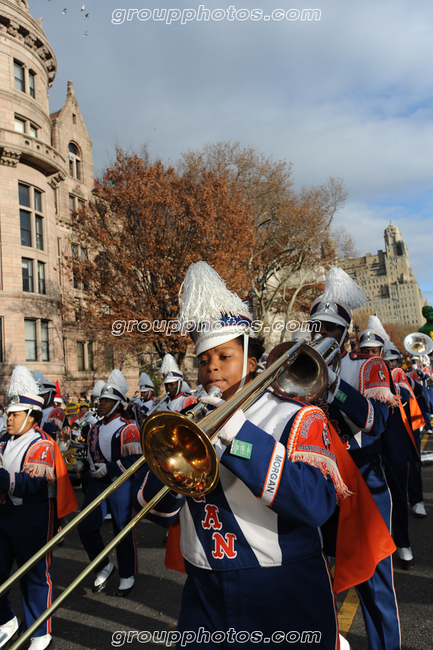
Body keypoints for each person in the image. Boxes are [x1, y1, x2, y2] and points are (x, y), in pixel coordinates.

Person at [134, 261, 394, 650]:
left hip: (280, 588)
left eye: (224, 357)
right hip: (205, 588)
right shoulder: (188, 418)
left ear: (252, 363)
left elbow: (314, 505)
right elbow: (158, 511)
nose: (212, 370)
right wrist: (171, 450)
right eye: (204, 360)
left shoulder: (296, 415)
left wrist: (235, 434)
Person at [309, 270, 401, 650]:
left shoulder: (366, 368)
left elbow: (376, 423)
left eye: (330, 329)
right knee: (316, 577)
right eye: (317, 327)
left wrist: (334, 386)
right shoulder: (299, 367)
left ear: (345, 333)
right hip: (317, 486)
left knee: (374, 582)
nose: (322, 335)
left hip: (363, 482)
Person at [0, 366, 77, 650]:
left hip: (33, 517)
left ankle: (40, 632)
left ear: (31, 416)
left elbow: (30, 484)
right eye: (8, 413)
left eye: (14, 414)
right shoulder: (3, 440)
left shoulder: (42, 443)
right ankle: (7, 620)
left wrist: (2, 478)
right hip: (5, 515)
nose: (8, 417)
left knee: (34, 575)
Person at [77, 369, 141, 597]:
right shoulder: (94, 426)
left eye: (106, 400)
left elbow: (136, 460)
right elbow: (93, 453)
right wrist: (83, 466)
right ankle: (103, 565)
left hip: (120, 484)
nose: (101, 404)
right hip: (97, 484)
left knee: (122, 530)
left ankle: (127, 574)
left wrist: (112, 468)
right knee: (85, 526)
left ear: (118, 403)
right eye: (101, 400)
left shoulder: (128, 427)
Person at [382, 340, 422, 568]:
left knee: (398, 495)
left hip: (396, 443)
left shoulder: (398, 375)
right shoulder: (359, 373)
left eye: (391, 361)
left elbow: (408, 395)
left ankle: (403, 543)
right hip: (366, 448)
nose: (388, 365)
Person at [32, 371, 67, 439]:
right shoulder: (37, 409)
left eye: (42, 396)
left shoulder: (57, 411)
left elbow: (50, 430)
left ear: (51, 396)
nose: (39, 398)